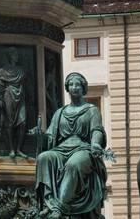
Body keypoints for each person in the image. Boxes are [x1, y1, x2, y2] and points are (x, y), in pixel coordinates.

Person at [36, 72, 107, 218]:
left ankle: (59, 207)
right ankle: (49, 204)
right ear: (67, 88)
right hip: (61, 149)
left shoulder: (92, 110)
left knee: (73, 164)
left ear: (83, 88)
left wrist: (95, 143)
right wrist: (40, 136)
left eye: (78, 84)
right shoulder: (60, 112)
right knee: (44, 158)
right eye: (71, 84)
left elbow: (97, 130)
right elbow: (50, 137)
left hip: (83, 149)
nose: (74, 87)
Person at [0, 47, 28, 158]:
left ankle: (19, 149)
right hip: (8, 94)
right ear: (10, 56)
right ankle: (11, 149)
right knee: (9, 122)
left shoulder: (21, 70)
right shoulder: (3, 70)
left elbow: (25, 84)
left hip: (20, 96)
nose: (17, 56)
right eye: (15, 54)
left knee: (23, 122)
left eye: (17, 54)